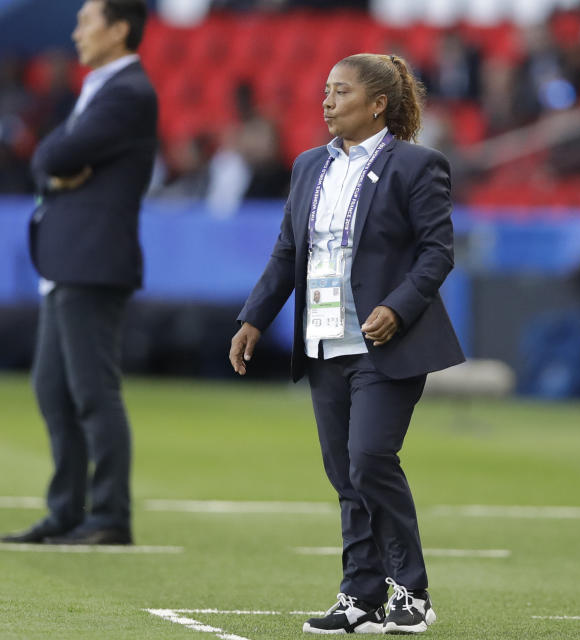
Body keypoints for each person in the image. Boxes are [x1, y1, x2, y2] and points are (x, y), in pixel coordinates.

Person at [229, 53, 464, 634]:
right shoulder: (308, 165)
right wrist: (254, 318)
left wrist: (397, 306)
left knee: (370, 459)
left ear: (378, 103)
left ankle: (411, 590)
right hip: (323, 338)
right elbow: (288, 251)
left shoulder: (418, 165)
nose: (326, 101)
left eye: (341, 91)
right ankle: (359, 594)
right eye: (325, 90)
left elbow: (438, 251)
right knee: (344, 473)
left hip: (387, 342)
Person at [0, 0, 156, 546]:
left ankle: (110, 514)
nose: (77, 32)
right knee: (53, 388)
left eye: (87, 21)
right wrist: (55, 163)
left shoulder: (130, 92)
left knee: (93, 390)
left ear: (118, 29)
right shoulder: (103, 88)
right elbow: (51, 158)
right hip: (68, 258)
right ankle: (66, 510)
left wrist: (55, 164)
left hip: (93, 259)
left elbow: (52, 157)